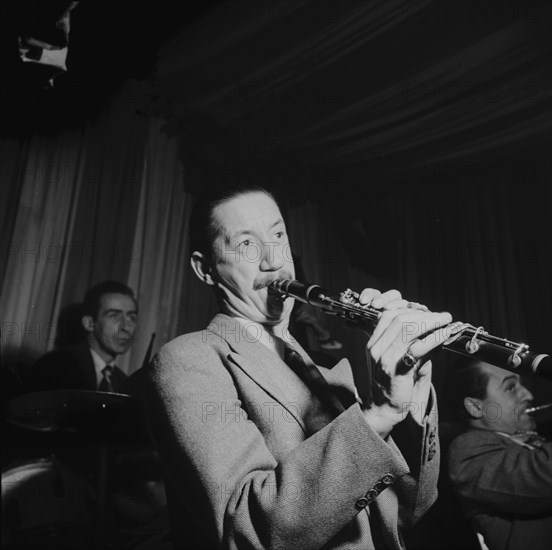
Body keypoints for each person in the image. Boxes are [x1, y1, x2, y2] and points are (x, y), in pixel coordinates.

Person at [143, 186, 456, 550]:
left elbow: (407, 513)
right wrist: (380, 413)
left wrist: (412, 388)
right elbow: (250, 529)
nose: (273, 260)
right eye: (246, 244)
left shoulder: (328, 375)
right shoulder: (190, 359)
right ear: (205, 269)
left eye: (278, 235)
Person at [446, 358, 552, 550]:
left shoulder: (530, 440)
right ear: (476, 407)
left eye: (523, 386)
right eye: (511, 387)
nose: (528, 394)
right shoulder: (467, 450)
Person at [31, 280, 138, 393]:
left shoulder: (123, 382)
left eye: (131, 317)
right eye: (114, 316)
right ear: (89, 323)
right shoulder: (55, 366)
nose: (126, 327)